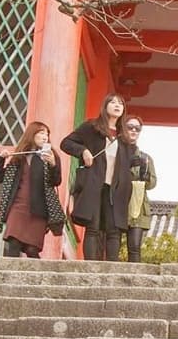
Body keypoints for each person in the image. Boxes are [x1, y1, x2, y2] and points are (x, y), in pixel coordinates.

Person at [60, 94, 133, 261]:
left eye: (120, 103)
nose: (117, 105)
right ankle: (90, 267)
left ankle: (112, 268)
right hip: (93, 184)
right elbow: (66, 143)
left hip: (116, 189)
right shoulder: (91, 127)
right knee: (92, 227)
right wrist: (83, 151)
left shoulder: (124, 137)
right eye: (113, 102)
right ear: (105, 106)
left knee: (113, 230)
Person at [0, 120, 63, 258]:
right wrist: (0, 159)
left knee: (32, 249)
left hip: (40, 208)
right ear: (32, 134)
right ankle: (9, 275)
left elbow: (56, 181)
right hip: (18, 206)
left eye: (47, 134)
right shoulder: (19, 157)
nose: (45, 137)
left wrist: (53, 164)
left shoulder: (50, 156)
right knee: (13, 242)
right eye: (41, 133)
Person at [121, 115, 158, 262]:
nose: (134, 131)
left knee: (134, 246)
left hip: (138, 204)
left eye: (137, 128)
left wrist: (144, 175)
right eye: (130, 127)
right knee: (112, 242)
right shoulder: (117, 152)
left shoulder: (146, 158)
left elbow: (152, 183)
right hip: (119, 201)